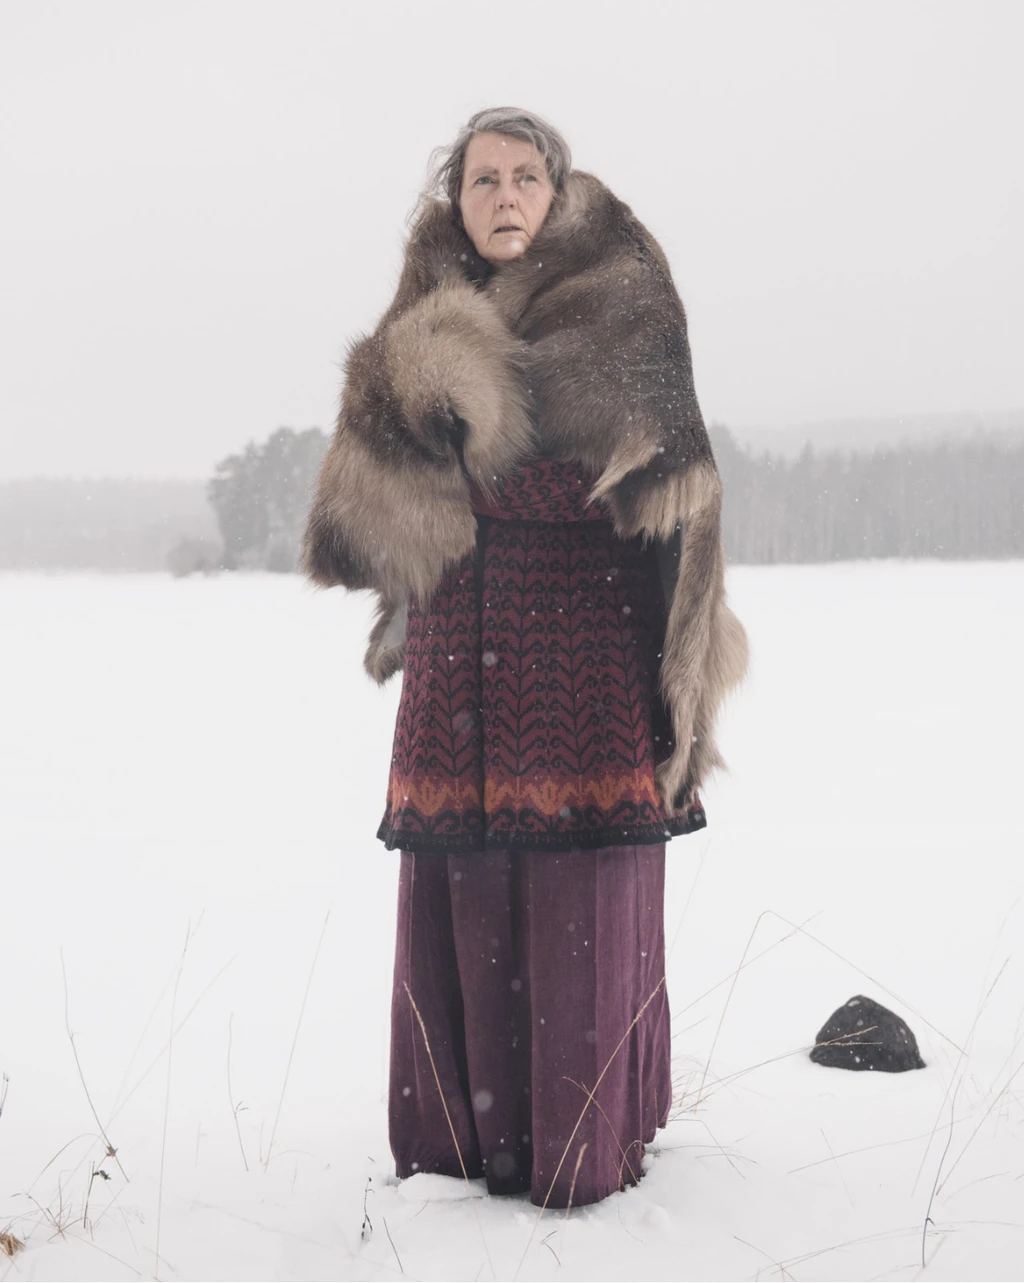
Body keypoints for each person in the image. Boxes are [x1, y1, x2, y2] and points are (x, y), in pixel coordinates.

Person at [302, 107, 747, 1208]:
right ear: (455, 199)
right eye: (482, 179)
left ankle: (577, 1144)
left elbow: (670, 487)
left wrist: (671, 679)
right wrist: (427, 410)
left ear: (558, 192)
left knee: (576, 892)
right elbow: (359, 515)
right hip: (458, 650)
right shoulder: (418, 315)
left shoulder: (624, 296)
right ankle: (461, 1145)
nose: (504, 196)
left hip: (586, 641)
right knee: (465, 890)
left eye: (525, 178)